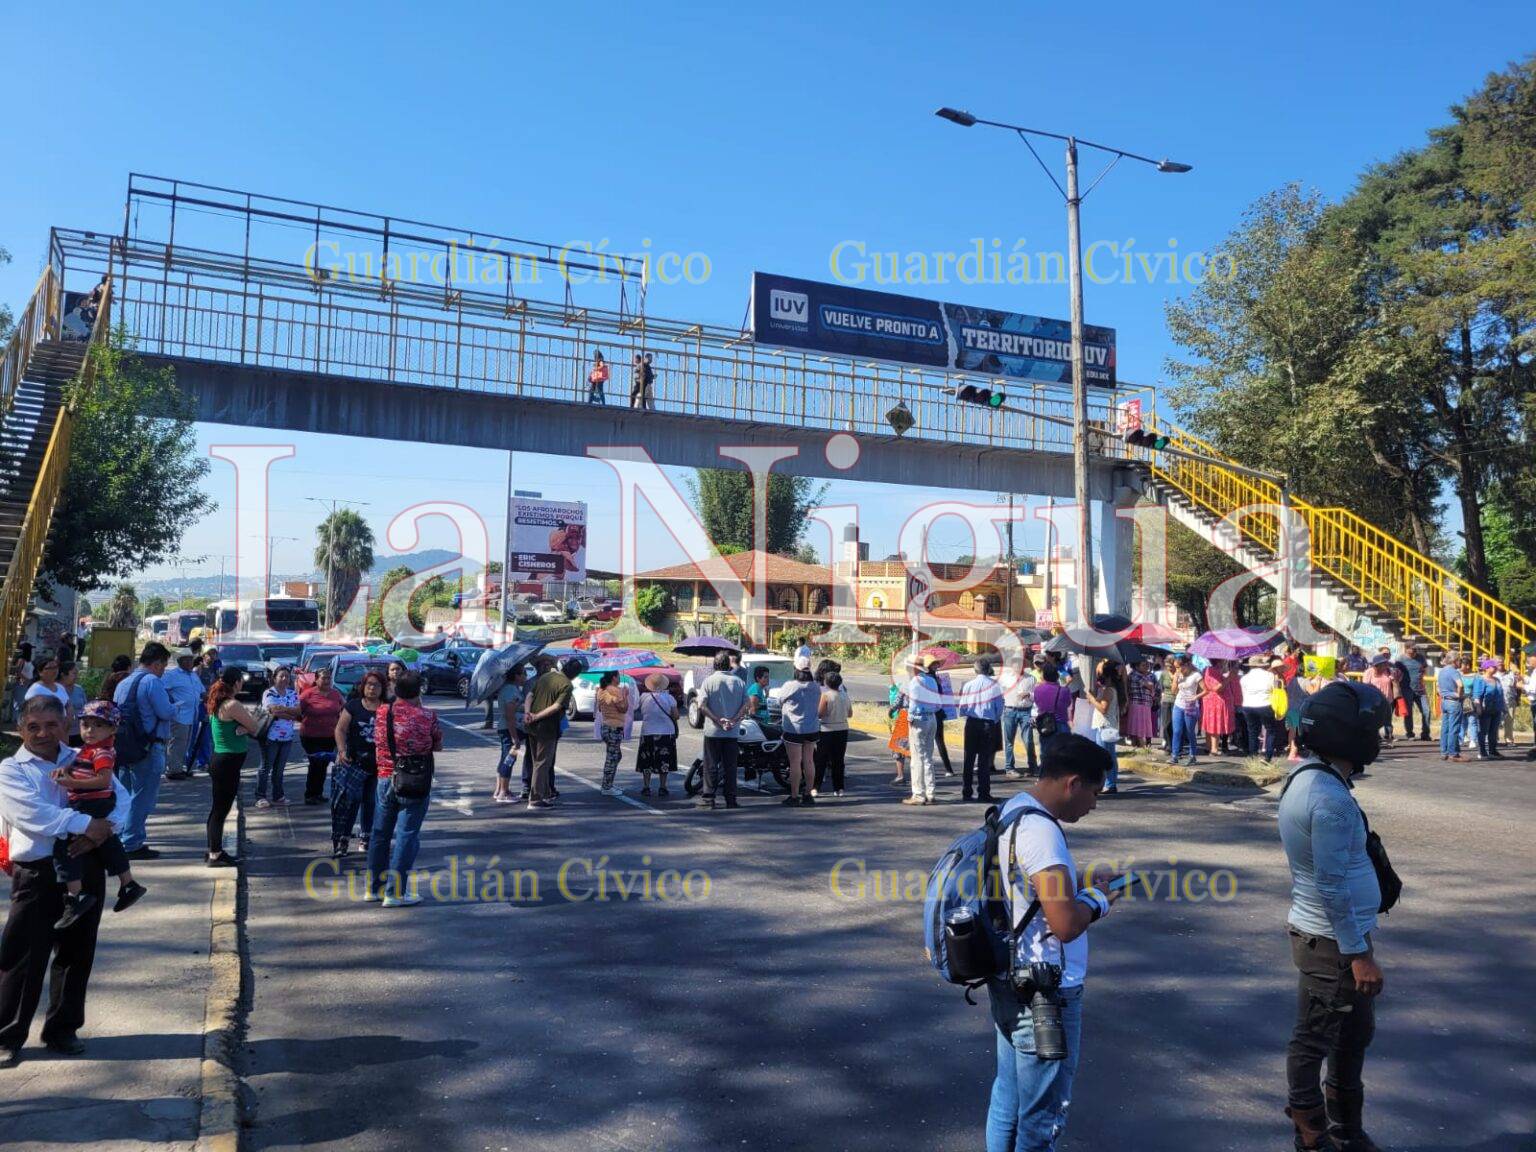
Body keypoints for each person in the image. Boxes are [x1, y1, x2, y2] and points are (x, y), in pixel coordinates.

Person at [984, 734, 1124, 1151]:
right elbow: (1063, 924)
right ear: (1073, 783)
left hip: (1012, 973)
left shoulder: (1014, 809)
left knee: (1008, 1099)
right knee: (1042, 1114)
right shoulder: (1043, 833)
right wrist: (1099, 900)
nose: (1094, 805)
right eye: (1095, 793)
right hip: (1047, 990)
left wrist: (1079, 882)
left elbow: (1022, 884)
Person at [1278, 681, 1392, 1152]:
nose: (1379, 739)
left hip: (1332, 938)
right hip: (1333, 943)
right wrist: (1360, 953)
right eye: (1374, 730)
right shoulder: (1328, 799)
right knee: (1317, 1038)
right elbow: (1331, 885)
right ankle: (1314, 1135)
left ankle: (1346, 1128)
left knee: (1352, 1034)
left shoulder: (1312, 777)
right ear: (1350, 736)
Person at [0, 696, 130, 1067]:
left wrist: (102, 833)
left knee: (76, 952)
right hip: (38, 873)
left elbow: (121, 799)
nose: (43, 733)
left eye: (52, 725)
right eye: (34, 726)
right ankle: (7, 1035)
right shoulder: (12, 770)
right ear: (21, 727)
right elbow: (33, 815)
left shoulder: (84, 755)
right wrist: (89, 825)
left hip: (84, 865)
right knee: (21, 957)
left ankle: (62, 1029)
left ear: (66, 723)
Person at [50, 702, 147, 929]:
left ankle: (75, 897)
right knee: (107, 842)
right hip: (92, 803)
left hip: (91, 802)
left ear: (112, 729)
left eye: (98, 726)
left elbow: (103, 780)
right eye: (85, 724)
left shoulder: (102, 751)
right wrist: (64, 771)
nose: (89, 731)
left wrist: (71, 782)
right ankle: (128, 883)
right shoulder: (87, 749)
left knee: (65, 847)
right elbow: (75, 765)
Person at [366, 672, 443, 906]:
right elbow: (437, 744)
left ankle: (374, 888)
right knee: (406, 834)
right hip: (414, 779)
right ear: (418, 692)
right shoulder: (427, 716)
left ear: (395, 689)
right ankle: (395, 892)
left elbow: (377, 739)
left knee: (380, 833)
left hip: (384, 776)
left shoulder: (382, 712)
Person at [112, 643, 176, 859]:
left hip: (126, 747)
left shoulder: (124, 682)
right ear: (156, 662)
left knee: (126, 796)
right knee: (142, 797)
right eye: (163, 665)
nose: (163, 670)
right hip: (148, 747)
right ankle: (131, 843)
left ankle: (122, 837)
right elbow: (166, 712)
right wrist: (176, 706)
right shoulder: (152, 682)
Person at [205, 668, 259, 868]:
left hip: (223, 762)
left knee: (218, 809)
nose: (242, 684)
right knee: (220, 810)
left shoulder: (219, 702)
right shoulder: (232, 704)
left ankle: (212, 848)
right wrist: (245, 727)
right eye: (241, 681)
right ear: (236, 682)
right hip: (226, 763)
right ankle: (215, 854)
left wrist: (241, 728)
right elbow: (255, 726)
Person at [332, 670, 385, 857]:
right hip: (355, 762)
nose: (372, 688)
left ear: (382, 688)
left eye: (376, 685)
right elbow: (340, 729)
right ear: (363, 686)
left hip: (378, 764)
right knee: (351, 801)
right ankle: (343, 839)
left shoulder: (387, 707)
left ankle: (365, 837)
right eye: (369, 684)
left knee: (370, 801)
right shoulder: (353, 706)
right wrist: (342, 750)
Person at [697, 652, 748, 810]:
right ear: (728, 664)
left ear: (715, 664)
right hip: (732, 731)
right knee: (730, 766)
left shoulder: (709, 681)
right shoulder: (739, 682)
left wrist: (717, 719)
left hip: (713, 731)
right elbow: (745, 705)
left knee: (711, 765)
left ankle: (708, 798)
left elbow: (702, 706)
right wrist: (733, 720)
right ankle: (730, 799)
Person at [523, 656, 574, 811]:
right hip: (546, 727)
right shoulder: (567, 685)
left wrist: (528, 713)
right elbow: (557, 707)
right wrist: (537, 716)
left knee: (537, 760)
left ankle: (544, 793)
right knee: (542, 763)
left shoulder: (546, 677)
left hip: (532, 724)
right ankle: (536, 798)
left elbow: (529, 696)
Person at [773, 655, 821, 807]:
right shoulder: (815, 686)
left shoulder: (790, 685)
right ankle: (808, 794)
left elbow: (779, 700)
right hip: (812, 728)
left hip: (793, 728)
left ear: (796, 669)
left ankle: (794, 796)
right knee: (809, 760)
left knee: (795, 762)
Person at [956, 659, 1003, 803]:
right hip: (987, 724)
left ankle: (967, 791)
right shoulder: (995, 686)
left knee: (968, 759)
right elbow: (999, 707)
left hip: (972, 723)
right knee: (984, 760)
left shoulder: (968, 685)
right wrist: (993, 720)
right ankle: (983, 792)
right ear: (988, 669)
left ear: (975, 670)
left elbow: (962, 707)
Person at [254, 666, 301, 809]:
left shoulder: (293, 694)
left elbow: (298, 712)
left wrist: (283, 710)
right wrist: (289, 713)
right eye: (281, 676)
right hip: (270, 737)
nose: (284, 679)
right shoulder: (269, 693)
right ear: (274, 678)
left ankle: (278, 796)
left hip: (287, 737)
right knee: (265, 767)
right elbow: (272, 710)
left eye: (287, 676)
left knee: (279, 769)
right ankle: (260, 796)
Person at [298, 666, 345, 805]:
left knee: (323, 765)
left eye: (329, 678)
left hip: (330, 736)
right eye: (323, 678)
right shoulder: (308, 694)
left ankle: (318, 793)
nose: (327, 681)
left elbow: (344, 709)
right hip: (310, 736)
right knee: (315, 764)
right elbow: (297, 711)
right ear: (316, 679)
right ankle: (310, 794)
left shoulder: (335, 694)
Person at [902, 658, 941, 806]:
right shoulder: (931, 680)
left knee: (917, 758)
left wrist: (910, 717)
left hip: (919, 719)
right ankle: (930, 792)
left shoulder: (914, 682)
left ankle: (918, 794)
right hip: (932, 718)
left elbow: (913, 703)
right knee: (928, 757)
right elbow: (938, 704)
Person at [160, 649, 203, 781]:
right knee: (176, 742)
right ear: (180, 661)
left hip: (191, 715)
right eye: (187, 659)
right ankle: (173, 769)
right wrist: (171, 702)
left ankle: (179, 767)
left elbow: (201, 691)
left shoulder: (193, 675)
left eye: (191, 659)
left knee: (185, 743)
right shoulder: (172, 675)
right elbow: (162, 689)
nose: (190, 662)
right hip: (179, 715)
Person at [635, 672, 679, 797]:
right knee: (664, 761)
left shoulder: (643, 697)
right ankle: (662, 786)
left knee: (646, 760)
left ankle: (646, 786)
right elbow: (676, 715)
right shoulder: (670, 698)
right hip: (665, 732)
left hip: (648, 732)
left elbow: (638, 709)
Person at [491, 665, 527, 805]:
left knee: (504, 758)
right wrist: (514, 737)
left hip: (505, 728)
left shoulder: (509, 688)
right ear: (516, 676)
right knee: (509, 759)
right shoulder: (511, 691)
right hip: (509, 729)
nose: (525, 676)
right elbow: (509, 715)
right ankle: (503, 792)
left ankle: (500, 789)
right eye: (523, 673)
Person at [595, 671, 633, 796]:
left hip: (605, 725)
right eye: (618, 676)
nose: (619, 678)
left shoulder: (601, 690)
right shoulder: (616, 691)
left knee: (615, 755)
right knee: (612, 758)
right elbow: (623, 708)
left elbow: (600, 708)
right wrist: (625, 695)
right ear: (614, 678)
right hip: (614, 727)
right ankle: (606, 786)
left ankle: (608, 783)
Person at [813, 671, 851, 797]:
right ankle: (839, 788)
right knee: (838, 760)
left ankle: (816, 787)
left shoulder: (826, 695)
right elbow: (850, 713)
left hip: (827, 729)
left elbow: (820, 713)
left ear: (827, 683)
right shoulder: (845, 695)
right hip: (842, 729)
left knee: (821, 760)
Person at [1239, 658, 1284, 762]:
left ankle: (1253, 756)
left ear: (1250, 666)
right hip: (1265, 704)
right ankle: (1267, 757)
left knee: (1252, 732)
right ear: (1262, 665)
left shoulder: (1244, 678)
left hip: (1248, 705)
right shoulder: (1270, 676)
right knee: (1270, 730)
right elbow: (1277, 689)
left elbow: (1244, 693)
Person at [999, 659, 1038, 777]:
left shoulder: (1031, 679)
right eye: (1016, 667)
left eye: (1020, 666)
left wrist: (1028, 695)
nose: (1018, 669)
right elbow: (999, 694)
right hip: (1009, 711)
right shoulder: (1005, 679)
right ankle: (1009, 768)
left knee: (1028, 740)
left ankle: (1033, 767)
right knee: (1009, 741)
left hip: (1026, 711)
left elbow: (1037, 695)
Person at [1089, 662, 1122, 793]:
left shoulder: (1109, 690)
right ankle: (1109, 783)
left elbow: (1103, 708)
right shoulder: (1108, 689)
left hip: (1105, 727)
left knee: (1105, 757)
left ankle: (1109, 783)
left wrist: (1092, 699)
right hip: (1105, 726)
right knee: (1108, 756)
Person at [1170, 655, 1205, 766]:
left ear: (1187, 665)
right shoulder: (1178, 675)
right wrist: (1175, 680)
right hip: (1178, 704)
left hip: (1191, 706)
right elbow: (1173, 691)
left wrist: (1196, 697)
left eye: (1179, 667)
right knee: (1176, 731)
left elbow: (1206, 690)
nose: (1178, 670)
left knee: (1190, 731)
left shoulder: (1196, 675)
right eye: (1176, 668)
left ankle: (1192, 755)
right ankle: (1174, 755)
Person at [24, 656, 73, 733]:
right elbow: (30, 711)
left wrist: (68, 720)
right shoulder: (35, 690)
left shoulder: (60, 687)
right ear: (40, 672)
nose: (54, 671)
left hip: (62, 727)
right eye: (49, 668)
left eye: (55, 667)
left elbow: (68, 705)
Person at [1469, 659, 1506, 760]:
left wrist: (1504, 707)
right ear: (1486, 668)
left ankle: (1493, 751)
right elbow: (1477, 695)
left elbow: (1501, 694)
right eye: (1493, 667)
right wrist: (1479, 708)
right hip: (1485, 709)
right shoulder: (1480, 679)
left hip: (1497, 709)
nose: (1495, 668)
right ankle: (1482, 752)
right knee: (1483, 731)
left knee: (1493, 731)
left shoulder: (1497, 680)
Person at [1200, 659, 1236, 756]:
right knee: (1215, 724)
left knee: (1210, 723)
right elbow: (1218, 688)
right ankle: (1214, 749)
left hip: (1209, 700)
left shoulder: (1208, 669)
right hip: (1216, 701)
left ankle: (1208, 746)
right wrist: (1229, 678)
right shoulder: (1213, 670)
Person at [1362, 656, 1398, 748]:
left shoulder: (1389, 671)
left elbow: (1396, 681)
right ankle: (1375, 740)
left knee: (1387, 722)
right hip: (1373, 701)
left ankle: (1389, 740)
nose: (1385, 666)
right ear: (1376, 665)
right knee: (1373, 721)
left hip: (1387, 700)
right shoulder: (1369, 672)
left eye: (1385, 664)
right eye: (1383, 664)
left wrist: (1394, 678)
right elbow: (1366, 686)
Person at [1435, 655, 1466, 761]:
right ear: (1455, 660)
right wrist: (1459, 695)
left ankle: (1444, 752)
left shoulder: (1442, 671)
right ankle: (1453, 753)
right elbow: (1460, 684)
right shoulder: (1454, 671)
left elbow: (1438, 686)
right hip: (1453, 701)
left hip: (1444, 701)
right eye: (1460, 660)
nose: (1461, 663)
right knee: (1454, 728)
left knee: (1445, 728)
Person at [929, 658, 956, 777]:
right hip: (936, 713)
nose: (936, 666)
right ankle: (948, 769)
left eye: (936, 664)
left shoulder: (929, 678)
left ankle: (947, 768)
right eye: (935, 664)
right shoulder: (935, 678)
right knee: (938, 741)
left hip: (933, 713)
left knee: (935, 742)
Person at [1123, 657, 1157, 749]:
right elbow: (1150, 686)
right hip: (1137, 703)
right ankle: (1141, 745)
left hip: (1144, 703)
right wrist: (1151, 686)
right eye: (1143, 665)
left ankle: (1137, 745)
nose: (1146, 666)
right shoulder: (1135, 675)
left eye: (1147, 664)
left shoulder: (1143, 675)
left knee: (1139, 725)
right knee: (1138, 725)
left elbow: (1152, 687)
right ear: (1136, 666)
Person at [1397, 644, 1429, 741]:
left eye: (1415, 651)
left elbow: (1424, 669)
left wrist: (1422, 678)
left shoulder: (1421, 658)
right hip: (1407, 689)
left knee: (1426, 711)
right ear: (1406, 650)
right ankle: (1410, 733)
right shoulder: (1400, 660)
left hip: (1420, 689)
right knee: (1409, 712)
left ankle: (1425, 733)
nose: (1413, 653)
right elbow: (1396, 673)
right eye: (1411, 651)